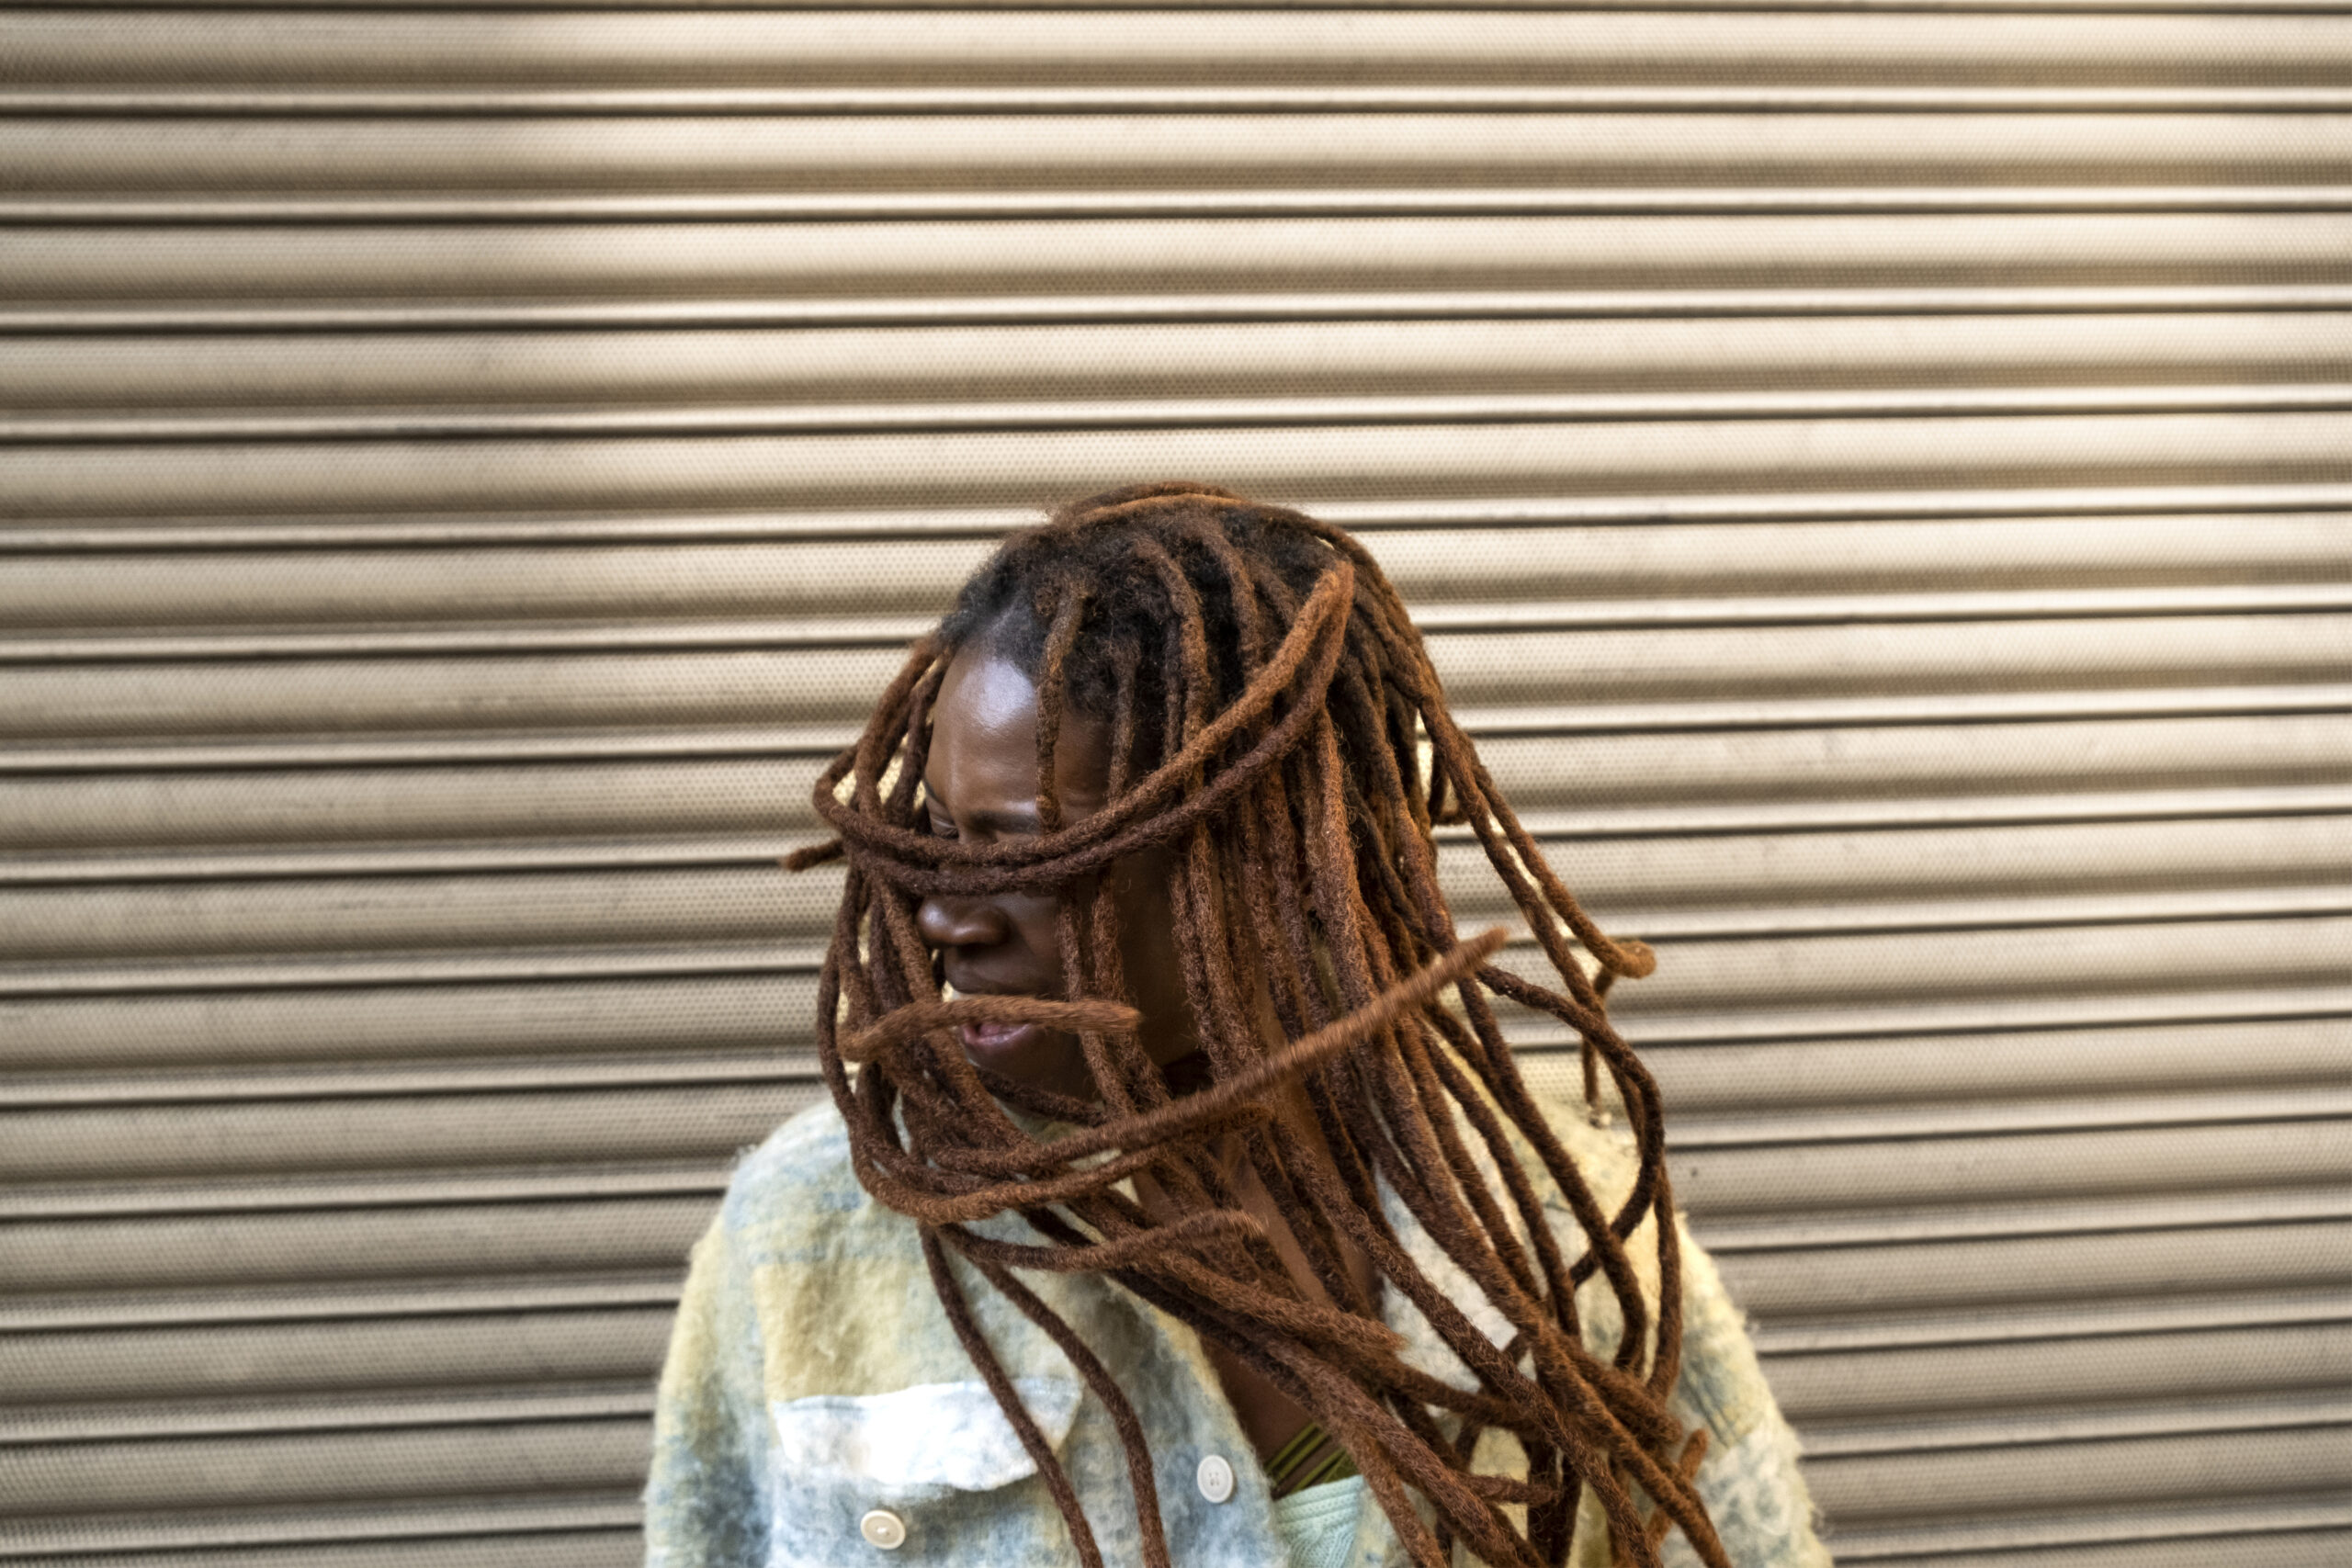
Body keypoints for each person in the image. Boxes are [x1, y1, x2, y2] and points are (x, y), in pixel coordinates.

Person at [644, 484, 1828, 1568]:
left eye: (1026, 853)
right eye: (938, 838)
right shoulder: (806, 1233)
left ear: (1264, 854)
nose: (944, 914)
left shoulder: (1561, 1238)